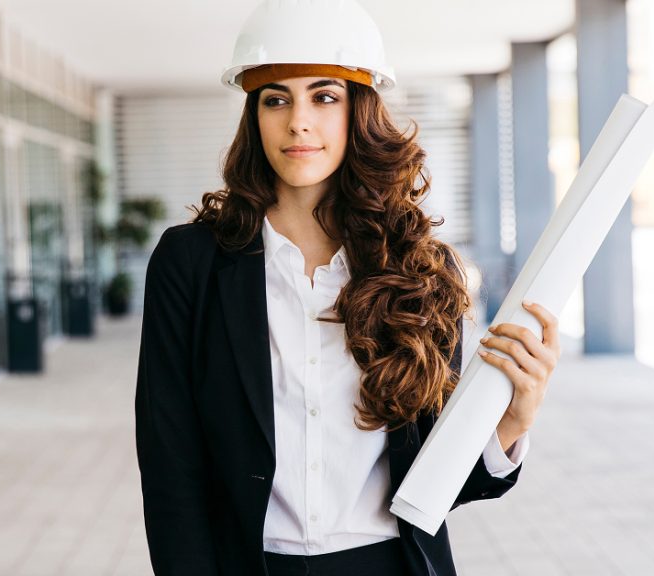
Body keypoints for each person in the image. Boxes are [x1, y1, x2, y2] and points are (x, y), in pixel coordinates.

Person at [134, 1, 562, 574]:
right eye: (276, 98)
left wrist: (514, 421)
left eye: (324, 96)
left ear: (359, 110)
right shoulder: (190, 262)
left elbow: (441, 485)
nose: (298, 121)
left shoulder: (421, 270)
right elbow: (169, 459)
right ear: (253, 115)